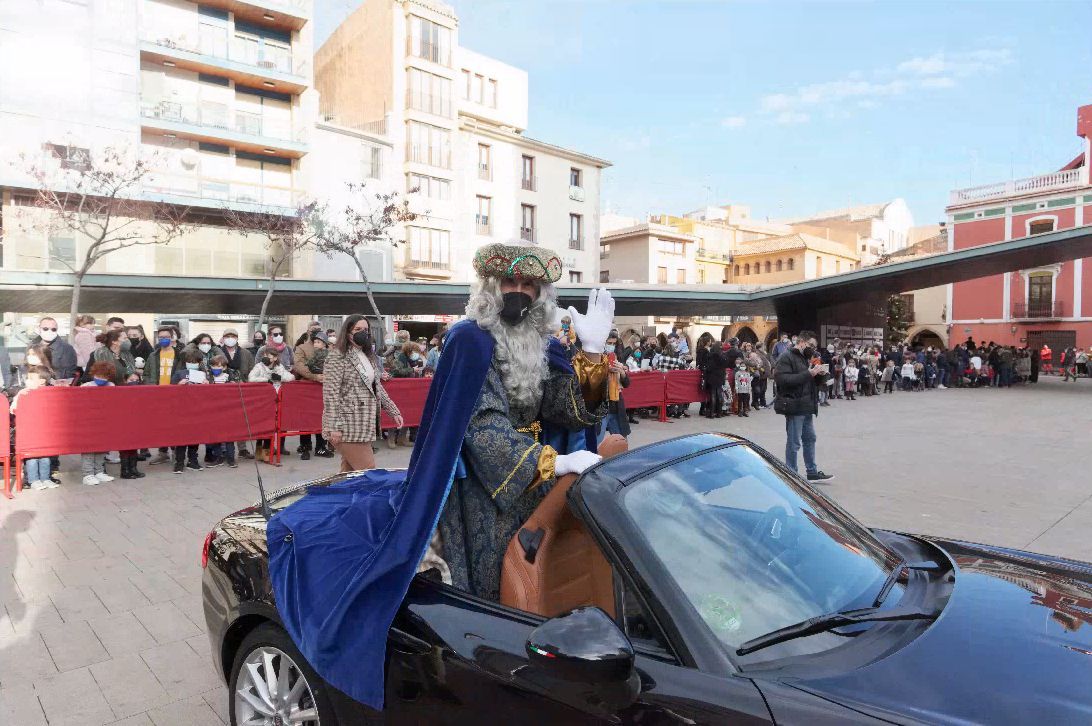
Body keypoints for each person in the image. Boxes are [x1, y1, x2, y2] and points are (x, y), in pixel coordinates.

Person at [322, 315, 401, 471]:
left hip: (364, 425)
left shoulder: (368, 356)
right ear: (347, 332)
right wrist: (334, 427)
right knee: (368, 470)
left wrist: (393, 411)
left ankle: (338, 495)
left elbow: (377, 387)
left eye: (366, 330)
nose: (363, 333)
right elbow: (331, 393)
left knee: (349, 474)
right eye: (358, 329)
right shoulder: (337, 356)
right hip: (346, 426)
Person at [774, 330, 833, 482]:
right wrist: (809, 374)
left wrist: (820, 377)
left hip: (807, 405)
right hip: (794, 405)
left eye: (815, 347)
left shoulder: (808, 358)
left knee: (810, 438)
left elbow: (810, 381)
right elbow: (782, 380)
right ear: (802, 342)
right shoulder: (786, 356)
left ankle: (811, 472)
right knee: (794, 442)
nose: (813, 349)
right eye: (811, 345)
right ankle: (791, 474)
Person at [12, 344, 58, 490]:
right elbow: (13, 406)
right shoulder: (21, 375)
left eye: (35, 354)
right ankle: (32, 479)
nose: (31, 356)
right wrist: (21, 394)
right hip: (29, 427)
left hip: (45, 427)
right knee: (31, 456)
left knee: (45, 455)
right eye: (29, 353)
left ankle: (46, 477)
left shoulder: (49, 374)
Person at [143, 325, 185, 465]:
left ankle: (175, 452)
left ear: (172, 337)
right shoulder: (153, 355)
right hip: (158, 395)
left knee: (175, 424)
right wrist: (152, 386)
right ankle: (162, 452)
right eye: (161, 338)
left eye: (166, 337)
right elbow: (146, 374)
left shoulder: (180, 355)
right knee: (160, 424)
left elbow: (185, 373)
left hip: (175, 394)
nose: (163, 340)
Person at [249, 349, 296, 462]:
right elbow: (251, 378)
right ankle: (260, 450)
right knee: (263, 426)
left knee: (272, 426)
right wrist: (267, 379)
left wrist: (279, 378)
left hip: (275, 401)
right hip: (262, 401)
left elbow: (291, 377)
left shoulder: (279, 367)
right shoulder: (259, 366)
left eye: (269, 356)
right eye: (265, 355)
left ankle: (267, 450)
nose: (266, 357)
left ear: (275, 358)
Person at [79, 361, 119, 486]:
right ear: (93, 374)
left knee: (102, 447)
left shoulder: (111, 385)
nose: (101, 379)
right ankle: (88, 474)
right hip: (89, 422)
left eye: (104, 376)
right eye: (99, 375)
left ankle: (99, 471)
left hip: (104, 421)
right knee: (88, 449)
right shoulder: (85, 386)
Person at [171, 349, 209, 474]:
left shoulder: (203, 374)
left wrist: (207, 386)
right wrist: (179, 386)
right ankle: (179, 462)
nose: (192, 363)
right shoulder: (179, 373)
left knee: (195, 437)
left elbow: (209, 393)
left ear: (199, 363)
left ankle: (193, 461)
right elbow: (169, 391)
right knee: (182, 437)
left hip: (197, 410)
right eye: (189, 361)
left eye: (195, 362)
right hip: (182, 410)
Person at [219, 327, 255, 458]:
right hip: (224, 391)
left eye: (233, 336)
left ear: (237, 338)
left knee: (242, 420)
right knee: (224, 421)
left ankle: (242, 448)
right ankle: (224, 449)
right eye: (227, 336)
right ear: (223, 339)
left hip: (242, 390)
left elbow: (252, 371)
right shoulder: (218, 352)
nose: (230, 339)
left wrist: (248, 385)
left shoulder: (245, 353)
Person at [205, 354, 240, 468]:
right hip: (213, 412)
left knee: (229, 437)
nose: (215, 369)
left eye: (218, 366)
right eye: (213, 366)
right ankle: (218, 457)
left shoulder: (230, 377)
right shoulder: (208, 378)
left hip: (228, 412)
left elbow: (239, 389)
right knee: (215, 436)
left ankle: (231, 459)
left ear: (224, 367)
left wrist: (235, 385)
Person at [33, 317, 77, 381]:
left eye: (53, 329)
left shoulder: (66, 349)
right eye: (45, 328)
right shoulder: (32, 346)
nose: (49, 331)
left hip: (55, 387)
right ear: (39, 329)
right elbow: (25, 367)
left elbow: (68, 374)